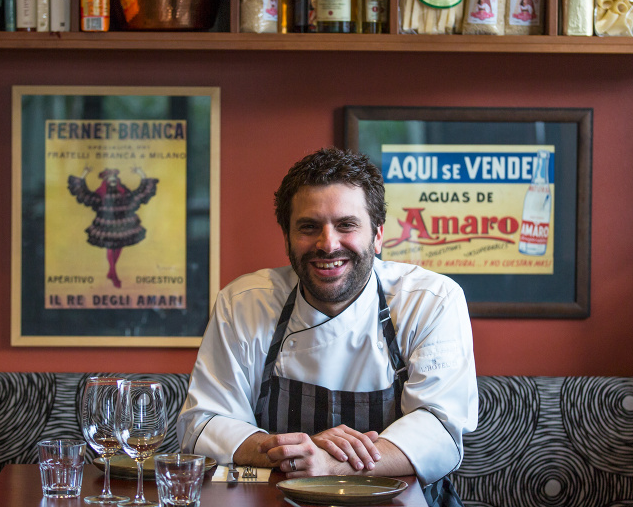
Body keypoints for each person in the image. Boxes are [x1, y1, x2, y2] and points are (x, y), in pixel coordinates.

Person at [178, 148, 478, 507]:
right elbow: (204, 423)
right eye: (309, 227)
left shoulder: (430, 300)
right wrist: (292, 452)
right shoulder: (244, 302)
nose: (328, 244)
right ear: (287, 237)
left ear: (378, 235)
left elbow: (440, 429)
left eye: (346, 225)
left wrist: (330, 464)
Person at [67, 165, 158, 288]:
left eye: (115, 177)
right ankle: (113, 274)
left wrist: (141, 173)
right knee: (110, 247)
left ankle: (111, 271)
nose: (113, 179)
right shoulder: (101, 193)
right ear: (106, 181)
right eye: (110, 178)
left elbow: (140, 193)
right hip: (107, 225)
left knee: (119, 246)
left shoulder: (124, 191)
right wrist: (84, 173)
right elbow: (84, 192)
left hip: (123, 224)